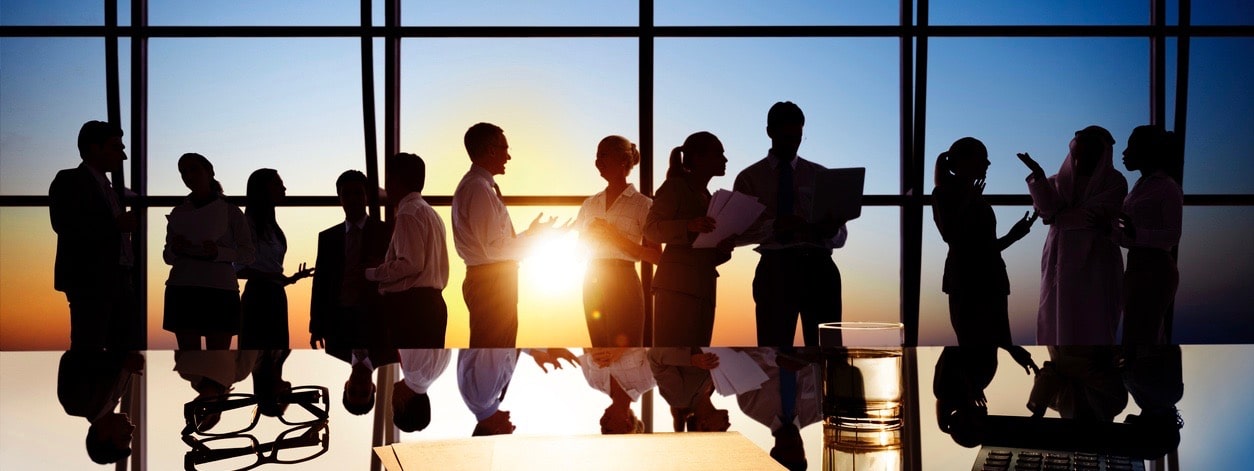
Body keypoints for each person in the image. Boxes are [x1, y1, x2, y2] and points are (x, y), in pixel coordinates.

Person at [732, 102, 847, 347]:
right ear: (770, 132)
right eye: (787, 137)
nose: (793, 142)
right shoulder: (749, 179)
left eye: (797, 137)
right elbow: (737, 233)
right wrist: (775, 226)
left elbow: (841, 237)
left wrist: (832, 230)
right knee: (772, 351)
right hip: (776, 270)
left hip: (820, 268)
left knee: (827, 352)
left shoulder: (820, 175)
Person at [1018, 126, 1127, 345]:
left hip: (1098, 259)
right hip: (1059, 256)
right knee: (1057, 311)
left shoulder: (1114, 182)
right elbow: (1048, 211)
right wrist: (1038, 177)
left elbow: (1092, 215)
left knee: (1096, 314)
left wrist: (1061, 214)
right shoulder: (1059, 181)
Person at [452, 123, 557, 348]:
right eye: (505, 149)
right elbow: (494, 248)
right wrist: (535, 241)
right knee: (494, 348)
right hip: (492, 283)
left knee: (498, 347)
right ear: (491, 150)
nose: (508, 157)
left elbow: (494, 244)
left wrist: (530, 233)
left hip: (491, 280)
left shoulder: (478, 186)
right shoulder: (478, 189)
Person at [932, 137, 1038, 351]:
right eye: (983, 158)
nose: (988, 164)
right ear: (966, 162)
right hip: (967, 282)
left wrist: (1013, 235)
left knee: (990, 352)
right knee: (976, 353)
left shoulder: (973, 197)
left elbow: (984, 250)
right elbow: (951, 235)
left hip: (989, 280)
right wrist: (969, 200)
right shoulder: (945, 194)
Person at [49, 120, 142, 350]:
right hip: (91, 281)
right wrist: (116, 225)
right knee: (91, 347)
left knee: (108, 347)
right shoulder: (69, 181)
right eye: (116, 148)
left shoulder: (106, 189)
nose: (123, 156)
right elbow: (64, 223)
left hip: (114, 279)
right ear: (94, 148)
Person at [644, 131, 733, 347]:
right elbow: (650, 230)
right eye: (718, 154)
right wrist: (688, 225)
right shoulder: (675, 187)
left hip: (703, 288)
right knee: (674, 352)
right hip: (677, 288)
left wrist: (723, 248)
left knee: (698, 352)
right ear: (698, 158)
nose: (725, 159)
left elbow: (703, 248)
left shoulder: (709, 197)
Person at [163, 153, 255, 350]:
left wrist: (219, 253)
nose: (188, 176)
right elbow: (167, 257)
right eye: (183, 172)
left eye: (193, 169)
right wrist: (175, 248)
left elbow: (248, 254)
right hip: (183, 287)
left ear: (210, 172)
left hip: (219, 289)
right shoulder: (179, 212)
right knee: (190, 360)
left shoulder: (231, 212)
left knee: (218, 361)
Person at [576, 136, 660, 347]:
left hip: (624, 281)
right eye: (597, 155)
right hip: (592, 280)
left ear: (623, 160)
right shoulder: (589, 204)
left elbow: (656, 256)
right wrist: (589, 238)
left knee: (627, 351)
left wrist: (615, 238)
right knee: (600, 350)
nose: (598, 160)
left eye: (603, 154)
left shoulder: (643, 205)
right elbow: (578, 251)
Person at [366, 153, 450, 348]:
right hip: (432, 305)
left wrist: (371, 273)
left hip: (411, 308)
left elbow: (411, 264)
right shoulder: (431, 213)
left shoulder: (408, 213)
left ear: (395, 180)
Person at [309, 170, 393, 351]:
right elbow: (320, 283)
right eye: (346, 194)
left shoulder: (385, 232)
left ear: (367, 196)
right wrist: (316, 326)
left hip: (374, 320)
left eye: (357, 193)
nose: (352, 199)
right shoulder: (328, 237)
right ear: (340, 198)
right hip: (338, 320)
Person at [1115, 125, 1183, 346]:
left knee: (1143, 334)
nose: (1124, 153)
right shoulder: (1139, 187)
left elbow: (1172, 236)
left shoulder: (1168, 188)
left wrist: (1136, 234)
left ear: (1146, 151)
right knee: (1139, 333)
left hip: (1155, 271)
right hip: (1136, 268)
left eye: (1130, 147)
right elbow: (1131, 237)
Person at [237, 169, 313, 349]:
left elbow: (268, 271)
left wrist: (288, 279)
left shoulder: (270, 226)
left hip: (275, 296)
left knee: (276, 351)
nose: (284, 188)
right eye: (278, 184)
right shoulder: (247, 224)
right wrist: (274, 277)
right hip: (258, 300)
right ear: (264, 189)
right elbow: (238, 268)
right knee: (259, 353)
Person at [57, 350, 144, 464]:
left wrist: (121, 360)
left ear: (104, 434)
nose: (132, 428)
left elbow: (72, 358)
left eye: (124, 435)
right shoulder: (118, 393)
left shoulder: (75, 404)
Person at [647, 347, 730, 432]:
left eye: (722, 429)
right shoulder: (714, 387)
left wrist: (692, 360)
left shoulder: (679, 397)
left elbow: (653, 356)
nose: (728, 425)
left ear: (703, 425)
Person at [578, 348, 655, 434]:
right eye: (608, 429)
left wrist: (591, 351)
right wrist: (621, 348)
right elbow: (656, 338)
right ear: (628, 424)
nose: (602, 422)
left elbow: (585, 343)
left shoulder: (594, 382)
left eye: (602, 428)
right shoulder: (648, 380)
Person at [392, 349, 453, 432]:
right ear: (401, 404)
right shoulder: (413, 370)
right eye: (394, 406)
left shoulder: (441, 368)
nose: (392, 399)